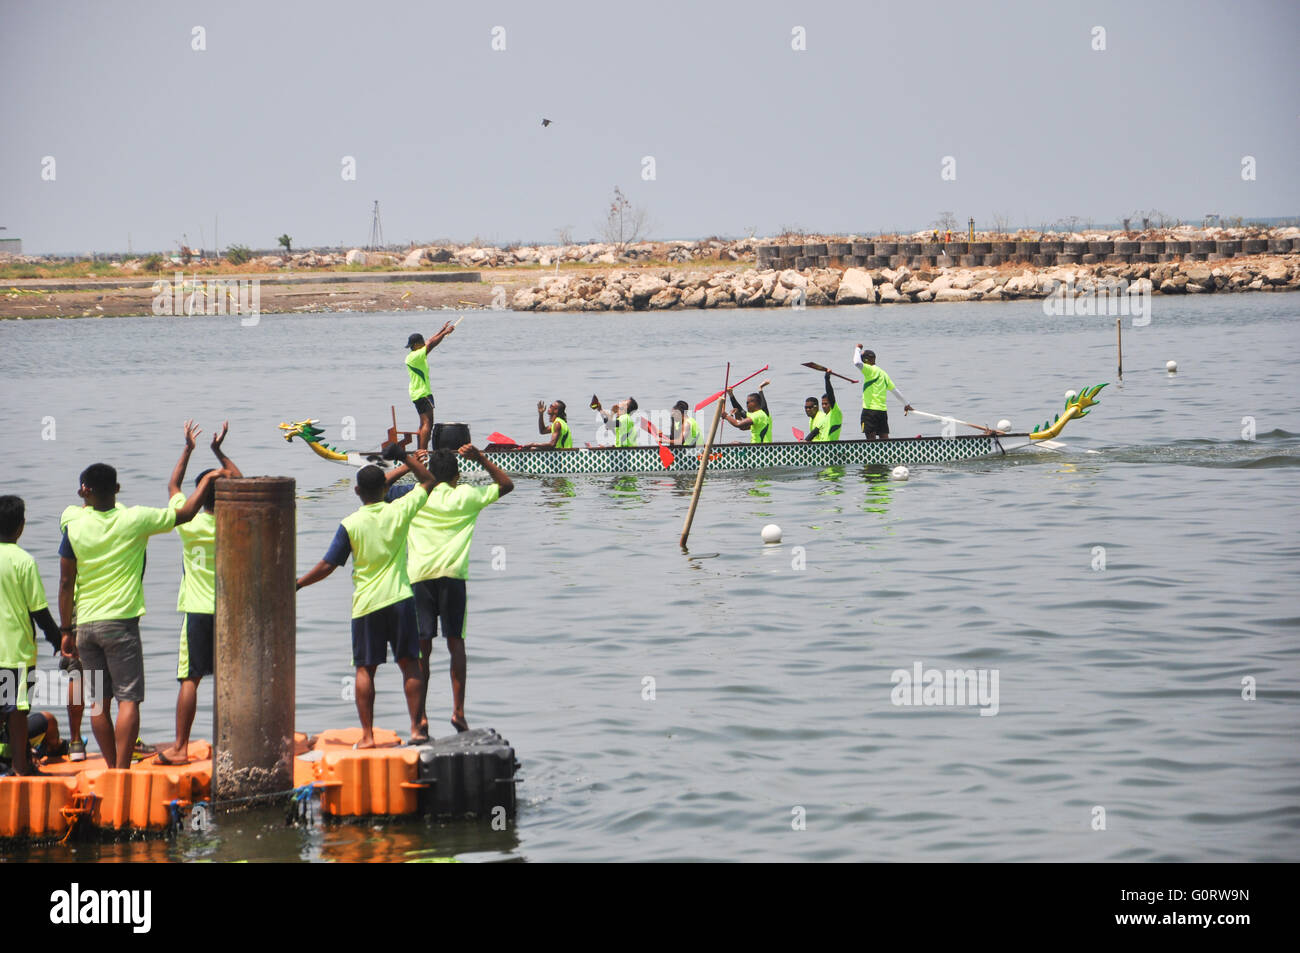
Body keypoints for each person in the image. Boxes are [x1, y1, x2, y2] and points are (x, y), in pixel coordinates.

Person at [58, 464, 222, 769]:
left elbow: (66, 582)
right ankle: (122, 771)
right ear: (117, 490)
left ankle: (110, 768)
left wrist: (66, 629)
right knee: (128, 700)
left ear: (85, 491)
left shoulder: (74, 526)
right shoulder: (135, 518)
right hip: (121, 624)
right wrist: (211, 477)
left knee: (98, 703)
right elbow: (185, 513)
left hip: (86, 626)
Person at [295, 450, 438, 748]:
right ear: (385, 489)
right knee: (410, 664)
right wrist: (406, 459)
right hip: (400, 598)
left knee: (365, 670)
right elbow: (428, 480)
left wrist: (297, 584)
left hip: (367, 605)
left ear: (357, 491)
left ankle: (368, 737)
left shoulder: (350, 524)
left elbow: (327, 565)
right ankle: (415, 729)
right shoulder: (400, 509)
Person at [383, 444, 513, 735]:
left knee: (423, 650)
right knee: (456, 644)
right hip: (453, 578)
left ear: (427, 474)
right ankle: (458, 713)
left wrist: (408, 465)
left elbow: (378, 489)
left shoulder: (414, 496)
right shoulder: (465, 495)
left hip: (419, 579)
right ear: (457, 476)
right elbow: (506, 484)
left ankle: (421, 718)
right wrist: (480, 458)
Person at [157, 420, 243, 766]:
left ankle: (180, 747)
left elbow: (173, 484)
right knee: (232, 678)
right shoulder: (235, 521)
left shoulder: (187, 524)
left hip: (197, 609)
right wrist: (217, 452)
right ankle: (235, 744)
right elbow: (241, 482)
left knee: (190, 678)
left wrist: (188, 450)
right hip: (231, 610)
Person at [0, 496, 62, 776]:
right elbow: (39, 610)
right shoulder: (23, 561)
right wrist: (58, 640)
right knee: (17, 710)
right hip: (15, 649)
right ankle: (20, 767)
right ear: (21, 527)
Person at [405, 322, 456, 451]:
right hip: (423, 393)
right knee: (428, 423)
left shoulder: (413, 355)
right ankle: (423, 452)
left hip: (416, 394)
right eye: (421, 343)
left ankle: (419, 451)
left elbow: (429, 341)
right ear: (416, 345)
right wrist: (445, 333)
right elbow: (431, 344)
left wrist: (441, 331)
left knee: (423, 424)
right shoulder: (417, 356)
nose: (424, 344)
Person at [853, 345, 914, 440]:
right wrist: (906, 404)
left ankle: (871, 454)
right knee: (885, 439)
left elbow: (857, 363)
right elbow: (895, 391)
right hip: (882, 412)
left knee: (870, 440)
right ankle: (888, 453)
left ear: (866, 360)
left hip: (869, 412)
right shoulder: (884, 374)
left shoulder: (870, 370)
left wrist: (857, 349)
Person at [0, 710, 66, 773]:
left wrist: (26, 749)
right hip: (8, 751)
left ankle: (54, 748)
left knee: (48, 719)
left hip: (10, 739)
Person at [803, 371, 843, 442]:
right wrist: (805, 441)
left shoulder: (836, 413)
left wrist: (827, 379)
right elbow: (814, 432)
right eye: (822, 404)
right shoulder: (825, 417)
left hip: (832, 447)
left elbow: (830, 395)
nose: (824, 406)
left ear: (830, 403)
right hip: (822, 448)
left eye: (826, 404)